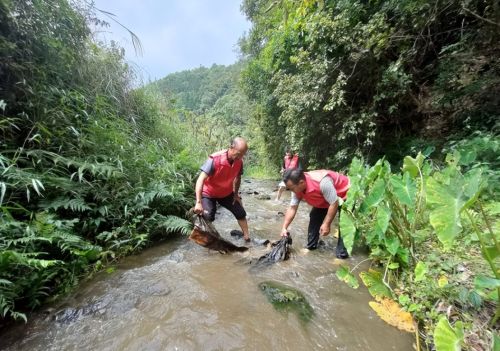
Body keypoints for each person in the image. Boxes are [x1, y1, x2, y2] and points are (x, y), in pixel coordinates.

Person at [279, 168, 350, 259]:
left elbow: (334, 203)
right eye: (289, 189)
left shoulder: (323, 183)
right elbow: (292, 208)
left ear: (301, 183)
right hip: (325, 197)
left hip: (345, 194)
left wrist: (326, 224)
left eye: (291, 188)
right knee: (314, 215)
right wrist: (284, 227)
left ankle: (342, 255)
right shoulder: (296, 188)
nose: (291, 191)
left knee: (345, 223)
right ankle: (311, 246)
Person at [194, 137, 251, 242]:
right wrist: (198, 202)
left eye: (243, 154)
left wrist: (236, 194)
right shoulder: (214, 159)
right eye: (239, 153)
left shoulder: (239, 161)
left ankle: (247, 237)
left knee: (240, 212)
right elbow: (200, 180)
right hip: (209, 193)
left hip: (226, 193)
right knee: (208, 216)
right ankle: (202, 235)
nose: (241, 157)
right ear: (231, 148)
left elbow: (238, 178)